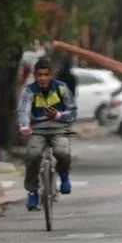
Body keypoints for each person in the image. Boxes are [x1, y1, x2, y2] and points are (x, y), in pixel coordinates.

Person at [18, 58, 77, 211]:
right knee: (33, 155)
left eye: (46, 74)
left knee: (62, 152)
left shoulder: (61, 88)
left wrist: (59, 116)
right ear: (35, 75)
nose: (42, 78)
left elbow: (73, 111)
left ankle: (64, 175)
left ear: (51, 75)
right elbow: (23, 110)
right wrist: (24, 126)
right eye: (39, 75)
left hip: (59, 128)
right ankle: (32, 191)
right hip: (37, 130)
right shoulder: (30, 90)